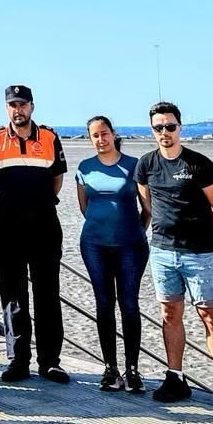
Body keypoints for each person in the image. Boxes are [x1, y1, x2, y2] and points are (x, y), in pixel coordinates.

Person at [136, 100, 213, 412]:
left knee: (210, 316)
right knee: (170, 314)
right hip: (162, 253)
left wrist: (204, 239)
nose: (165, 132)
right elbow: (147, 205)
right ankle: (175, 377)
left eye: (170, 126)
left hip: (198, 255)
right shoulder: (146, 164)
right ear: (152, 131)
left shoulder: (199, 164)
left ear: (180, 128)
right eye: (159, 127)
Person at [0, 85, 69, 383]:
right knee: (13, 295)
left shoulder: (49, 138)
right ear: (7, 108)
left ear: (32, 106)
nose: (17, 110)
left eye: (22, 104)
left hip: (44, 224)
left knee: (47, 294)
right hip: (8, 225)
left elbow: (57, 178)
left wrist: (38, 201)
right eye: (12, 105)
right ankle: (18, 361)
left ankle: (50, 362)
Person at [76, 114, 149, 393]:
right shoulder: (85, 168)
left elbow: (147, 208)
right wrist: (103, 227)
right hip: (94, 245)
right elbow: (85, 207)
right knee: (104, 304)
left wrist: (133, 230)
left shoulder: (134, 165)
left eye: (104, 133)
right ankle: (110, 369)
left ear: (113, 133)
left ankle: (132, 370)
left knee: (129, 304)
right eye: (95, 135)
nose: (100, 139)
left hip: (131, 245)